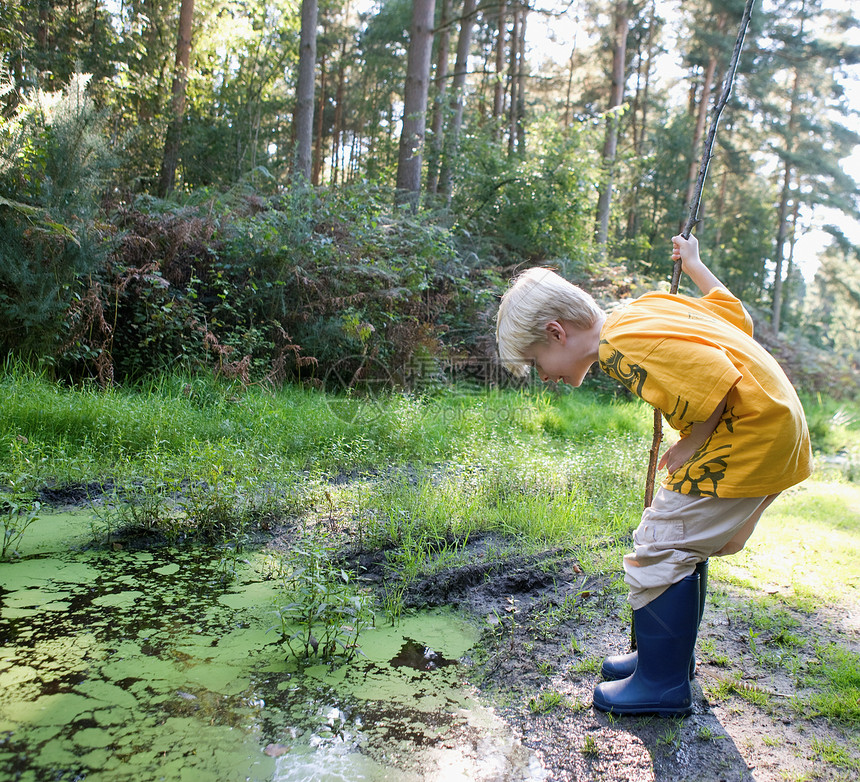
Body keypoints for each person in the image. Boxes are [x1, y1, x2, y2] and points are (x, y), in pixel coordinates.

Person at [495, 234, 812, 717]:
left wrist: (688, 441)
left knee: (662, 542)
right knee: (682, 543)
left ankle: (662, 684)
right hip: (773, 425)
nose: (543, 375)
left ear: (557, 332)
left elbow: (717, 379)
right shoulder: (644, 309)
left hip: (749, 432)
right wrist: (697, 266)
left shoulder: (620, 343)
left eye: (537, 362)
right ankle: (665, 661)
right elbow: (734, 317)